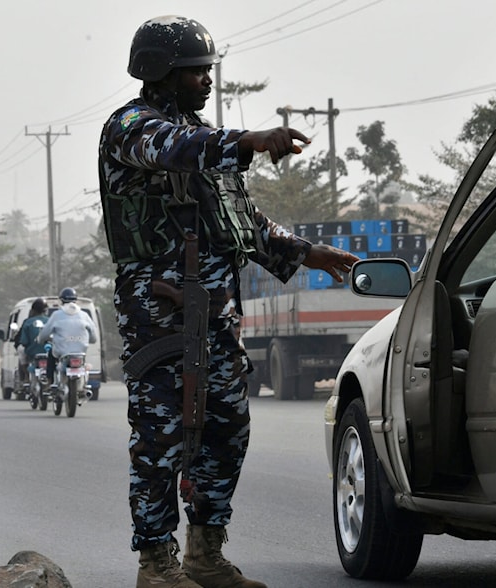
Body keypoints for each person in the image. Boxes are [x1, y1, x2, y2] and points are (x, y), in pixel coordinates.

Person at [99, 15, 359, 588]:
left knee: (227, 429)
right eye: (194, 72)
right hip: (159, 308)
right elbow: (176, 149)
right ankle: (156, 564)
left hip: (216, 312)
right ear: (160, 73)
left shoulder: (203, 136)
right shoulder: (132, 127)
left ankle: (205, 555)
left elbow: (240, 220)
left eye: (206, 71)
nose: (205, 81)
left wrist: (303, 251)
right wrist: (245, 140)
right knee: (160, 437)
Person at [35, 288, 98, 391]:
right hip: (80, 351)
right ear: (75, 300)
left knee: (51, 354)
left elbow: (45, 334)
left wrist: (40, 339)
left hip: (62, 352)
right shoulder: (84, 315)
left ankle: (49, 381)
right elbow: (93, 337)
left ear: (62, 300)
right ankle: (84, 383)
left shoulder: (56, 315)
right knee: (83, 363)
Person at [16, 298, 49, 386]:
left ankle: (26, 376)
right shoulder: (50, 321)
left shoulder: (27, 322)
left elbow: (24, 341)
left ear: (33, 310)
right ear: (45, 310)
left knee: (21, 350)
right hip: (49, 351)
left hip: (32, 352)